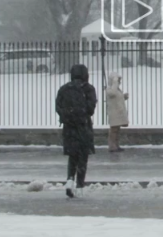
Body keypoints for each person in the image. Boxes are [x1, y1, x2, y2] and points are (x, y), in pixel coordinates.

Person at [55, 64, 97, 198]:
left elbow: (58, 106)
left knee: (72, 156)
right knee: (83, 157)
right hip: (83, 127)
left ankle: (69, 179)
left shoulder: (64, 89)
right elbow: (91, 109)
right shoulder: (88, 89)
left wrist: (67, 115)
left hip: (69, 128)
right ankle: (80, 186)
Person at [103, 72, 129, 153]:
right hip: (114, 113)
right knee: (113, 130)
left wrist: (123, 96)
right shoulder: (110, 89)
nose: (119, 82)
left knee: (117, 130)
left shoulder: (116, 89)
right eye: (118, 80)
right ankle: (112, 146)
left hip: (118, 112)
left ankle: (116, 145)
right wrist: (115, 82)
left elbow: (116, 98)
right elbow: (112, 94)